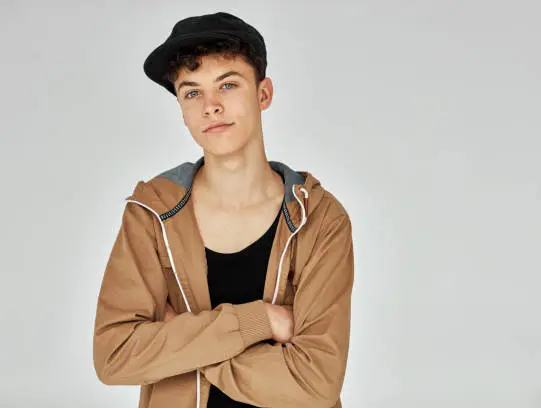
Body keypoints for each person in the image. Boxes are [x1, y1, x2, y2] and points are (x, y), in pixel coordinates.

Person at [92, 11, 354, 408]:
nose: (210, 106)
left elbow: (316, 384)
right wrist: (259, 321)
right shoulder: (152, 213)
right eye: (192, 92)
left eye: (227, 85)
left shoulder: (318, 219)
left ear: (263, 94)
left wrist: (182, 340)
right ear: (181, 108)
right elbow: (113, 356)